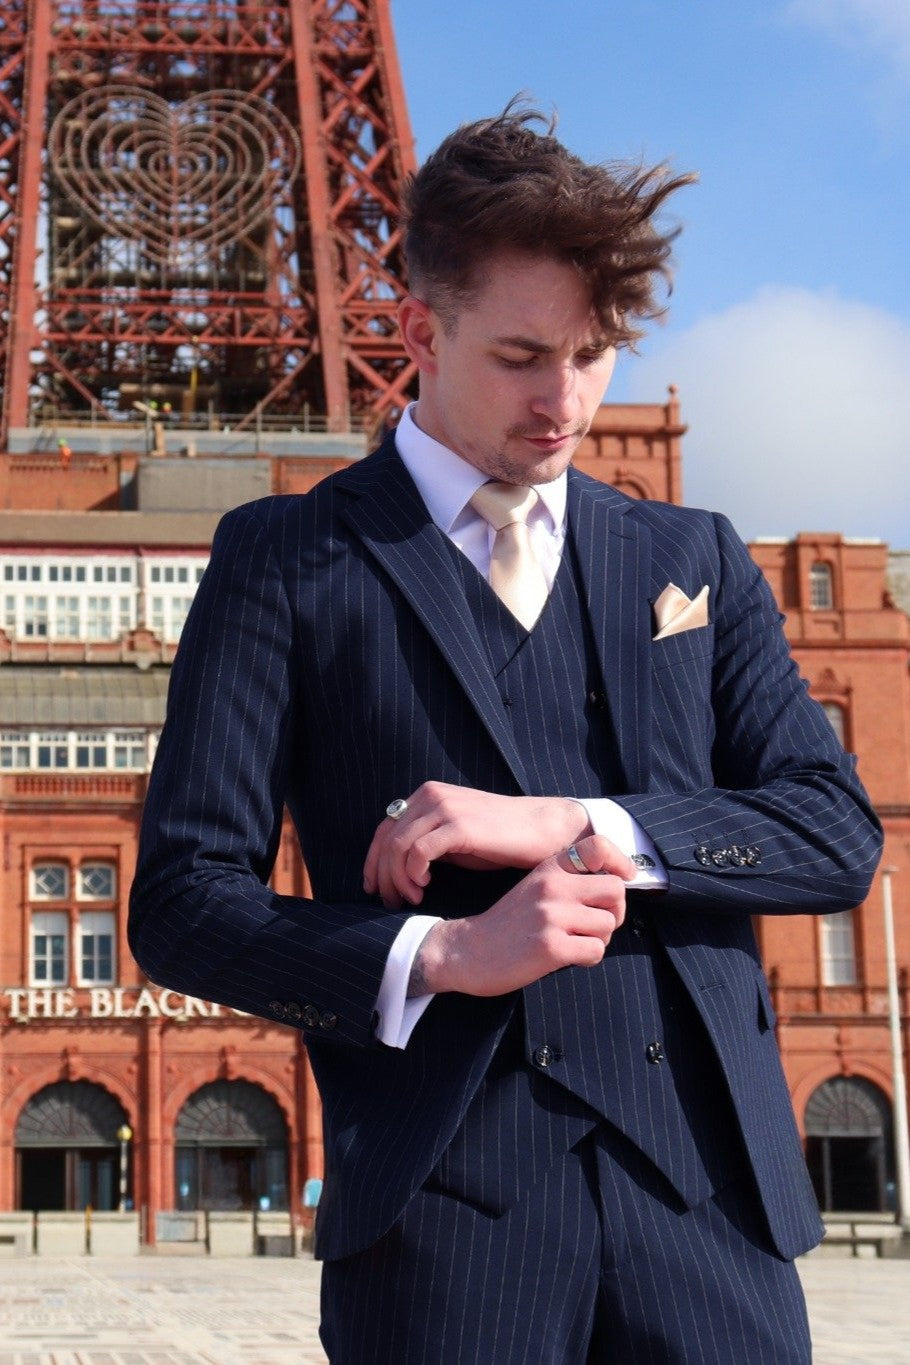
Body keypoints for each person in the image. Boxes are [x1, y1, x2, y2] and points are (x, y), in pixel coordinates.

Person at [129, 107, 882, 1362]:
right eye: (524, 356)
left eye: (594, 357)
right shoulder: (286, 560)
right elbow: (181, 903)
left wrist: (581, 823)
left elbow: (833, 833)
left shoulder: (688, 555)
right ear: (421, 333)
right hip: (443, 1220)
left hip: (710, 1210)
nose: (567, 402)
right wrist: (443, 953)